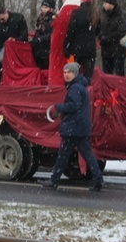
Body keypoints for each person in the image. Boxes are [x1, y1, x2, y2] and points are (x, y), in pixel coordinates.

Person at [38, 62, 104, 192]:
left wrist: (58, 107)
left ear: (75, 73)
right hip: (81, 127)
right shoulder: (80, 86)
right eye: (64, 72)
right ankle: (98, 179)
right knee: (87, 154)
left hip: (73, 128)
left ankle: (54, 180)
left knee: (63, 155)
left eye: (69, 72)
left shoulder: (74, 88)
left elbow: (74, 105)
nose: (66, 75)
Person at [47, 0, 82, 86]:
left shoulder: (67, 8)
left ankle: (56, 86)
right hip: (73, 45)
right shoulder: (77, 7)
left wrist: (54, 22)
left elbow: (61, 26)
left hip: (62, 46)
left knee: (60, 68)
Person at [62, 0, 100, 79]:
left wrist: (66, 47)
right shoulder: (96, 13)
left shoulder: (76, 13)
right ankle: (87, 91)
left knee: (75, 75)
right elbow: (98, 31)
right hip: (90, 49)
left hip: (77, 48)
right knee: (88, 76)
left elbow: (71, 31)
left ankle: (77, 91)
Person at [99, 0, 126, 76]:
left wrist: (108, 38)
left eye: (105, 3)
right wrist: (101, 36)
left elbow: (121, 31)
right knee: (107, 74)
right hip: (106, 50)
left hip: (117, 50)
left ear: (111, 4)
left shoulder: (121, 15)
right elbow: (100, 28)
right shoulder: (103, 15)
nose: (103, 5)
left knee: (119, 74)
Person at [31, 0, 56, 70]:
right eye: (42, 7)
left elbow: (52, 33)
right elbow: (38, 30)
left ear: (51, 9)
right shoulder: (40, 18)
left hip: (47, 46)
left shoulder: (53, 19)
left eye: (45, 7)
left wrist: (40, 39)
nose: (43, 9)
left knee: (46, 66)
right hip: (38, 47)